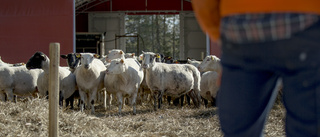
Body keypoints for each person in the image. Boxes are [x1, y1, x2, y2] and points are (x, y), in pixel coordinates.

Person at [192, 0, 320, 136]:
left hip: (241, 29)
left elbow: (204, 4)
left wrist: (217, 30)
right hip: (305, 21)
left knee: (240, 126)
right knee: (309, 125)